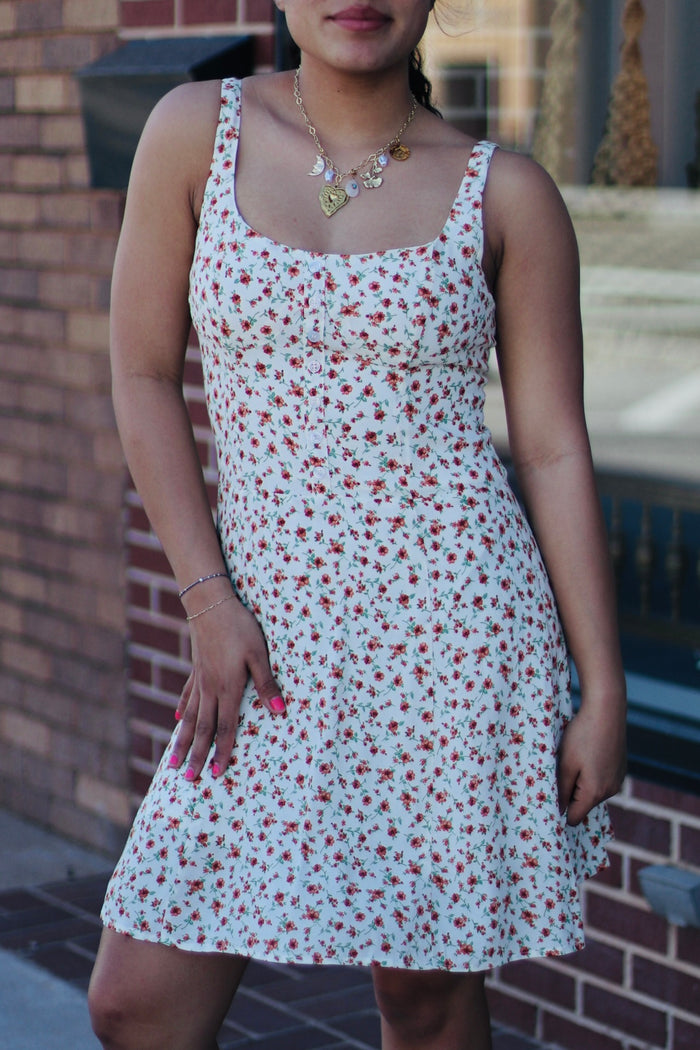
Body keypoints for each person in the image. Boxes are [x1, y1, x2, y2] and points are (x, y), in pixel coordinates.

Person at [88, 2, 627, 1047]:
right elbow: (143, 372)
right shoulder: (196, 129)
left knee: (421, 998)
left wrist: (600, 687)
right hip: (258, 637)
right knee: (134, 1002)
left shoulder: (505, 191)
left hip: (451, 640)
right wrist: (205, 596)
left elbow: (553, 447)